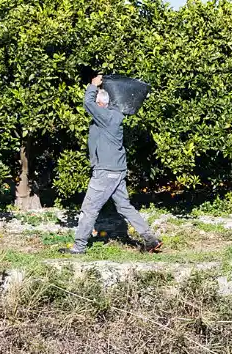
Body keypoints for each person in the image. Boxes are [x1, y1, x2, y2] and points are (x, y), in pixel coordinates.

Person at [65, 74, 161, 254]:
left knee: (89, 209)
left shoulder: (106, 117)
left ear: (102, 105)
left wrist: (93, 86)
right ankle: (150, 239)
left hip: (106, 172)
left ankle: (79, 247)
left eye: (97, 104)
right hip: (117, 170)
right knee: (124, 206)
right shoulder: (115, 115)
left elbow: (88, 104)